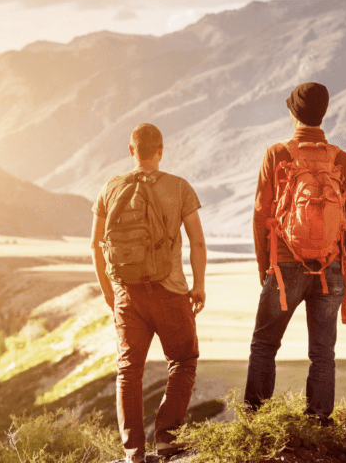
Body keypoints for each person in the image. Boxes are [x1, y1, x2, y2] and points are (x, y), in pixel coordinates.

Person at [244, 82, 346, 425]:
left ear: (293, 112)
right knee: (323, 352)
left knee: (265, 344)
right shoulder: (342, 159)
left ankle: (257, 421)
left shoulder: (277, 153)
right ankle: (319, 421)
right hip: (331, 265)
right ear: (323, 113)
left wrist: (266, 266)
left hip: (285, 264)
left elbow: (260, 214)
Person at [91, 123, 207, 463]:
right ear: (161, 151)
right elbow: (197, 241)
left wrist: (109, 293)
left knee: (129, 371)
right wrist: (198, 285)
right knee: (183, 362)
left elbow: (96, 246)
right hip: (170, 292)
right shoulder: (179, 187)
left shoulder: (110, 189)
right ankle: (167, 440)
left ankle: (133, 453)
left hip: (127, 293)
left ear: (131, 150)